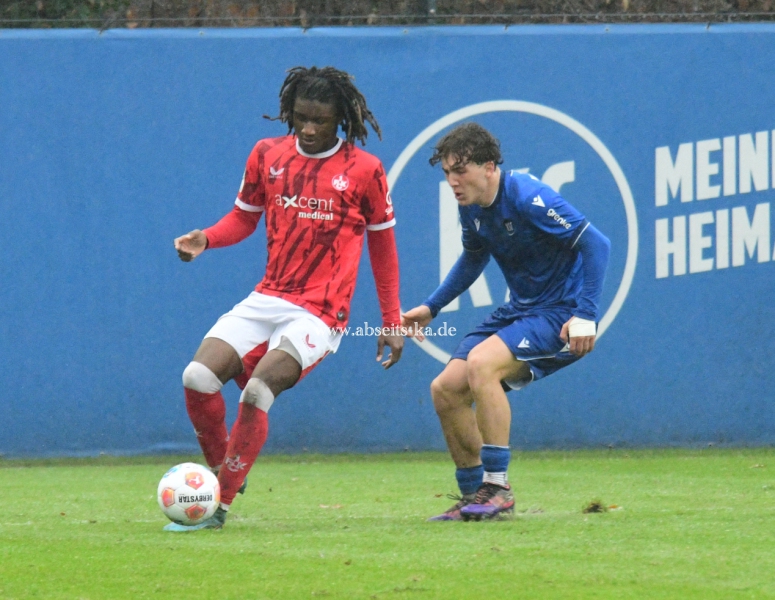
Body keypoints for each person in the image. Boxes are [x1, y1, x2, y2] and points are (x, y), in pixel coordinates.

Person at [168, 66, 404, 531]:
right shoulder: (267, 155)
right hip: (269, 295)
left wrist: (390, 319)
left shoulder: (365, 171)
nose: (309, 129)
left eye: (320, 120)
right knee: (196, 376)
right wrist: (206, 239)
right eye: (300, 118)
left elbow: (383, 247)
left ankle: (220, 504)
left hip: (322, 311)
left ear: (341, 118)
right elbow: (242, 218)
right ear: (289, 115)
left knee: (259, 389)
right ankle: (224, 467)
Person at [402, 123, 610, 521]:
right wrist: (432, 307)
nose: (453, 181)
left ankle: (498, 489)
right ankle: (472, 497)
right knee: (445, 389)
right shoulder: (472, 208)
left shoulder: (528, 195)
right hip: (522, 310)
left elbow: (596, 243)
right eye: (447, 173)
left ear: (490, 166)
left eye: (460, 170)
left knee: (482, 364)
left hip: (560, 313)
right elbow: (473, 257)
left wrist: (586, 315)